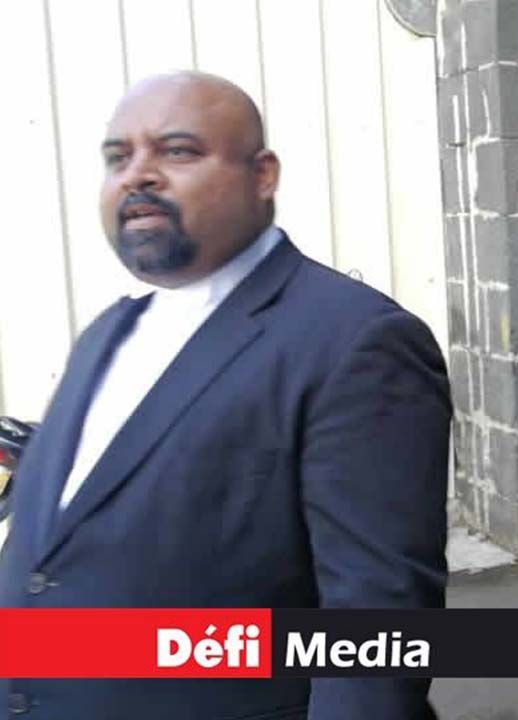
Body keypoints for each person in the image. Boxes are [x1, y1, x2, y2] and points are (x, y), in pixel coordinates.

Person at [0, 72, 451, 719]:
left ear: (262, 175)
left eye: (177, 151)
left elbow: (377, 630)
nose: (138, 175)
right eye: (117, 158)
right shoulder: (106, 335)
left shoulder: (355, 342)